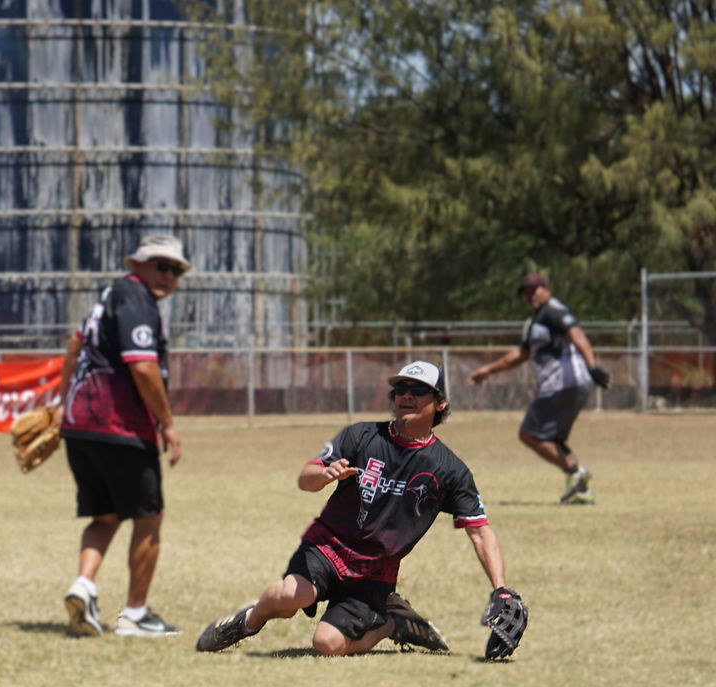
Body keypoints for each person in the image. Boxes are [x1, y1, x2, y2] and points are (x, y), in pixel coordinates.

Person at [195, 361, 511, 656]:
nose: (406, 397)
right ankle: (247, 622)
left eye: (418, 391)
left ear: (440, 402)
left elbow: (480, 531)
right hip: (327, 546)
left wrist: (502, 590)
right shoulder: (362, 435)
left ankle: (392, 622)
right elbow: (306, 478)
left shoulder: (449, 469)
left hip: (375, 571)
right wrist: (323, 475)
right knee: (290, 596)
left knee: (327, 645)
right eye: (401, 390)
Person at [56, 233, 187, 639]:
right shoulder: (135, 299)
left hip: (81, 424)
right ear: (138, 265)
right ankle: (135, 614)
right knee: (149, 517)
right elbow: (143, 367)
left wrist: (63, 403)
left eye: (176, 269)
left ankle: (85, 586)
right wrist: (166, 423)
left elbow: (74, 345)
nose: (169, 274)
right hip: (119, 424)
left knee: (106, 515)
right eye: (160, 265)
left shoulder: (108, 296)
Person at [468, 272, 611, 504]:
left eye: (534, 290)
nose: (530, 296)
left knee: (530, 434)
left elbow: (577, 335)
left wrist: (593, 367)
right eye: (525, 292)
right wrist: (488, 370)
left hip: (562, 383)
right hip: (568, 384)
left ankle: (576, 473)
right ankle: (580, 490)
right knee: (551, 438)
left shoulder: (553, 311)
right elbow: (520, 355)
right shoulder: (538, 320)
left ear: (546, 289)